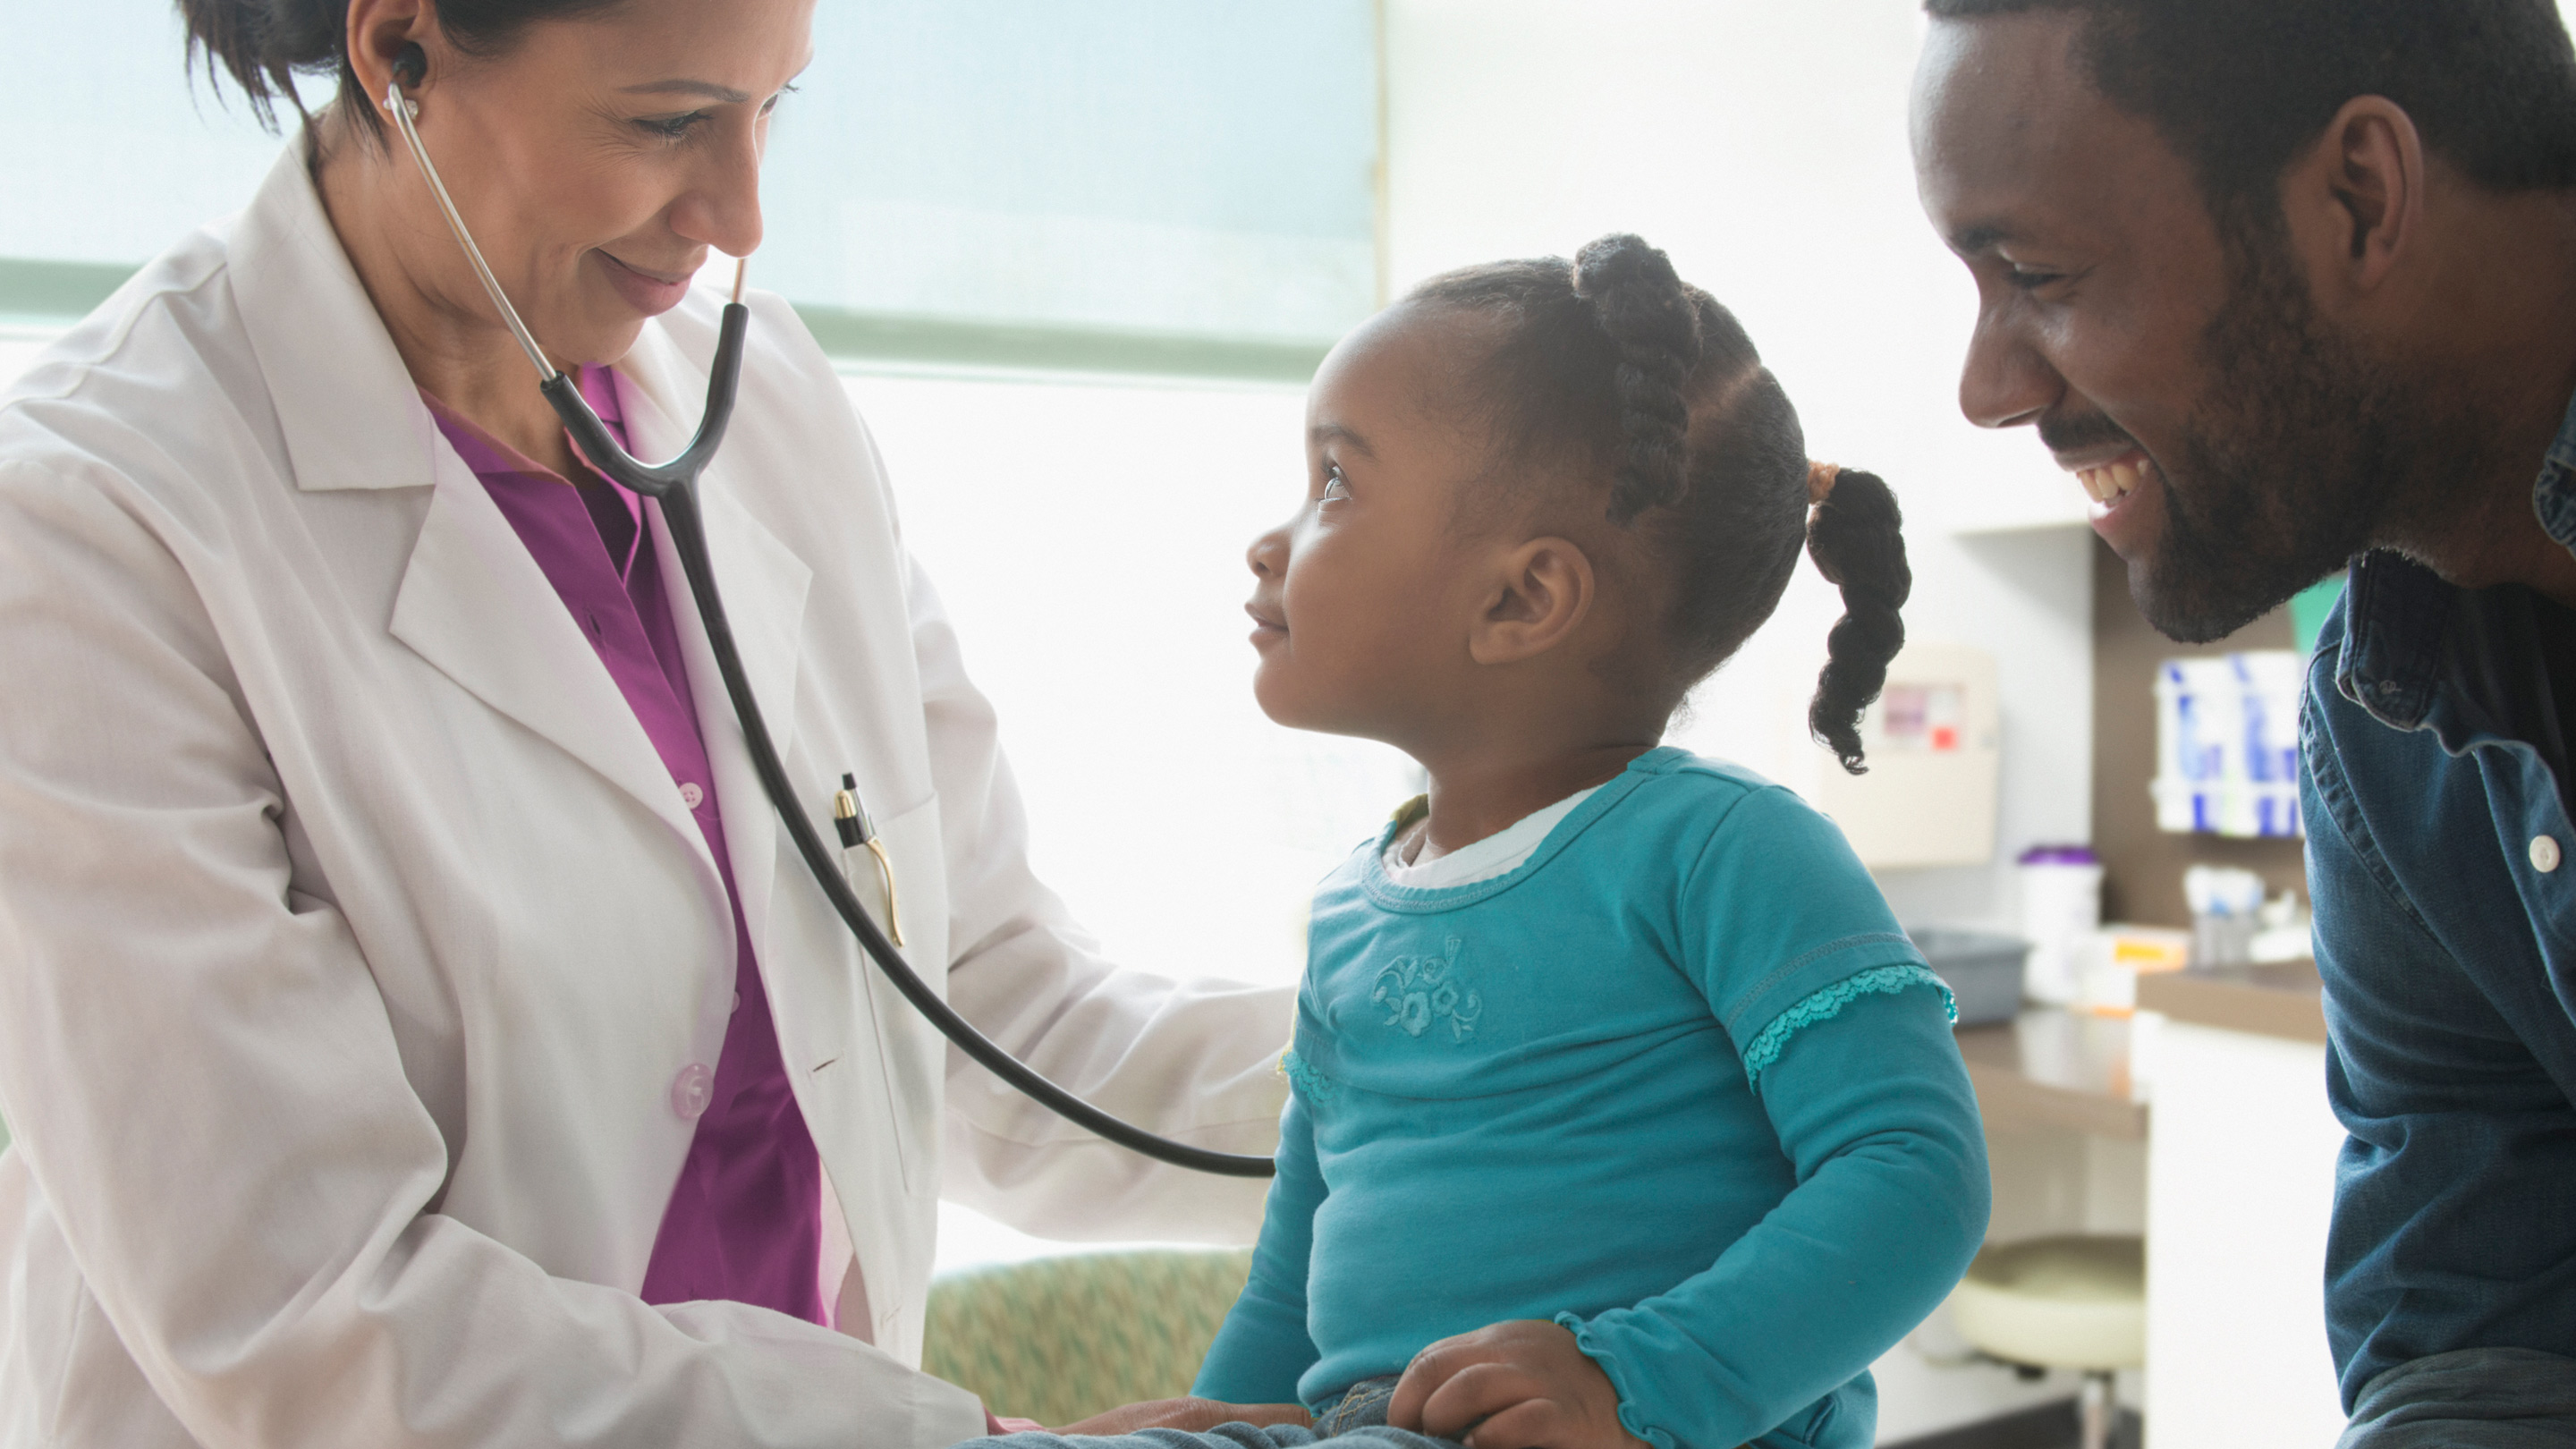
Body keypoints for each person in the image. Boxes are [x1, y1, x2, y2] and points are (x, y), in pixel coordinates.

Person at [0, 1, 1309, 1445]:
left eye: (775, 109)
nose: (741, 215)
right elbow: (304, 1312)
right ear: (399, 50)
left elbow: (979, 1015)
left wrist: (1511, 1059)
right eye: (668, 121)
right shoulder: (93, 523)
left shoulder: (771, 409)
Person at [959, 235, 1992, 1449]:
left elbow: (1914, 1168)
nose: (1273, 542)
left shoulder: (1725, 850)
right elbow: (1300, 1269)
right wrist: (1228, 1417)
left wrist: (1640, 1381)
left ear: (1522, 600)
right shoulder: (1356, 903)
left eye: (1336, 484)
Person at [1910, 0, 2576, 1439]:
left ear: (2359, 199)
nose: (1988, 388)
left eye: (2038, 272)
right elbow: (2479, 1327)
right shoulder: (2380, 729)